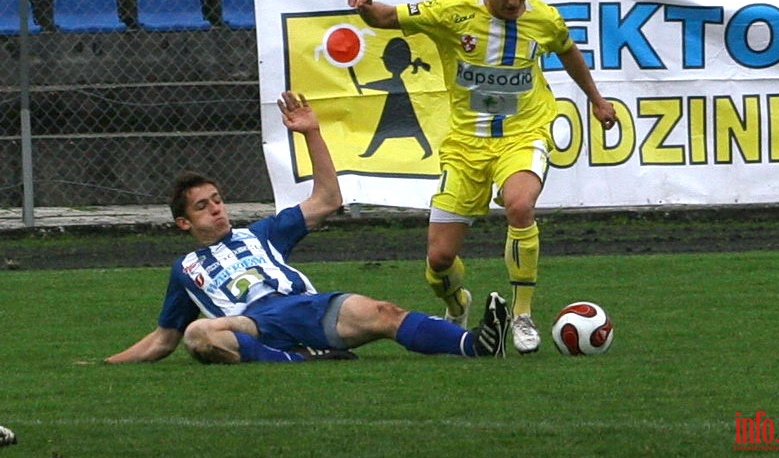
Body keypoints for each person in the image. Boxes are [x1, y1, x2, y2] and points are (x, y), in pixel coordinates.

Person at [348, 0, 619, 354]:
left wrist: (597, 100)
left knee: (520, 205)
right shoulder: (451, 14)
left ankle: (522, 314)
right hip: (466, 145)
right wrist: (365, 5)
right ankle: (457, 304)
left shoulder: (543, 19)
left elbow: (567, 51)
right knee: (439, 260)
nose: (514, 0)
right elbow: (385, 17)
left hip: (523, 133)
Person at [104, 91, 510, 365]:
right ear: (183, 222)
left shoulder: (262, 233)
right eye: (202, 206)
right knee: (199, 333)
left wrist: (312, 132)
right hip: (253, 324)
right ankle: (299, 358)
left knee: (385, 313)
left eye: (217, 200)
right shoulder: (186, 268)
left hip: (304, 308)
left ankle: (476, 344)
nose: (216, 209)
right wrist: (107, 363)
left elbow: (328, 199)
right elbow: (164, 339)